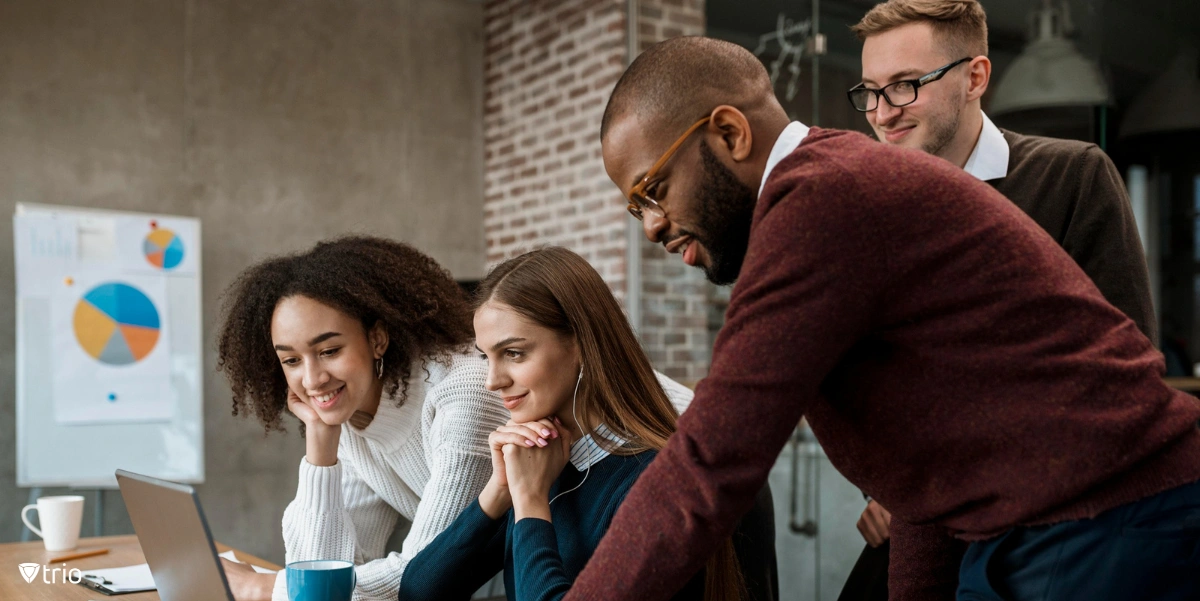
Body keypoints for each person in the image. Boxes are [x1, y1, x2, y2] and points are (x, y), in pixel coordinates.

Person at [559, 35, 1200, 601]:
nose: (651, 227)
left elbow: (709, 464)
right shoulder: (828, 193)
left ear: (729, 134)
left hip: (1115, 519)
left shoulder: (822, 200)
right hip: (1042, 530)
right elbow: (927, 462)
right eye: (633, 207)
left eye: (653, 189)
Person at [841, 1, 1159, 596]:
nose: (882, 114)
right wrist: (878, 486)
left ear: (975, 77)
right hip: (915, 534)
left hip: (1046, 539)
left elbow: (1128, 383)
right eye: (871, 91)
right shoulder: (867, 215)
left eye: (906, 86)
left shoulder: (1073, 178)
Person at [214, 236, 694, 601]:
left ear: (377, 339)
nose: (492, 380)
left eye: (513, 353)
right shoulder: (536, 448)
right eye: (291, 360)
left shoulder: (630, 473)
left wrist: (270, 588)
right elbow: (413, 587)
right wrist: (321, 444)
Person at [399, 246, 777, 601]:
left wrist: (530, 502)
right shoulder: (540, 462)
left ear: (580, 343)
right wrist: (501, 489)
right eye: (487, 357)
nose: (492, 380)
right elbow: (420, 591)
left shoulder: (653, 480)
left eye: (513, 353)